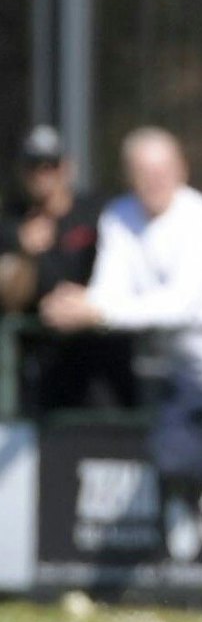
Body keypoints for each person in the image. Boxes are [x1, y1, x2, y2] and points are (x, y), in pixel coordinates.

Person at [39, 128, 202, 551]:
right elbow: (110, 289)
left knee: (179, 454)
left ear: (182, 171)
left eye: (163, 171)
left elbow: (177, 306)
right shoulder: (118, 215)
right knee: (167, 452)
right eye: (143, 173)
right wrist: (75, 303)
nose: (154, 182)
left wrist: (94, 309)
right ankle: (187, 506)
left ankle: (201, 497)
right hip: (164, 376)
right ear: (128, 176)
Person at [0, 125, 134, 411]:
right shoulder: (10, 223)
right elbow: (10, 299)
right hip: (40, 365)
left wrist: (86, 304)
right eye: (34, 167)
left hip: (100, 360)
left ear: (67, 168)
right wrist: (25, 253)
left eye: (51, 166)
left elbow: (127, 273)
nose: (43, 175)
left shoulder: (100, 213)